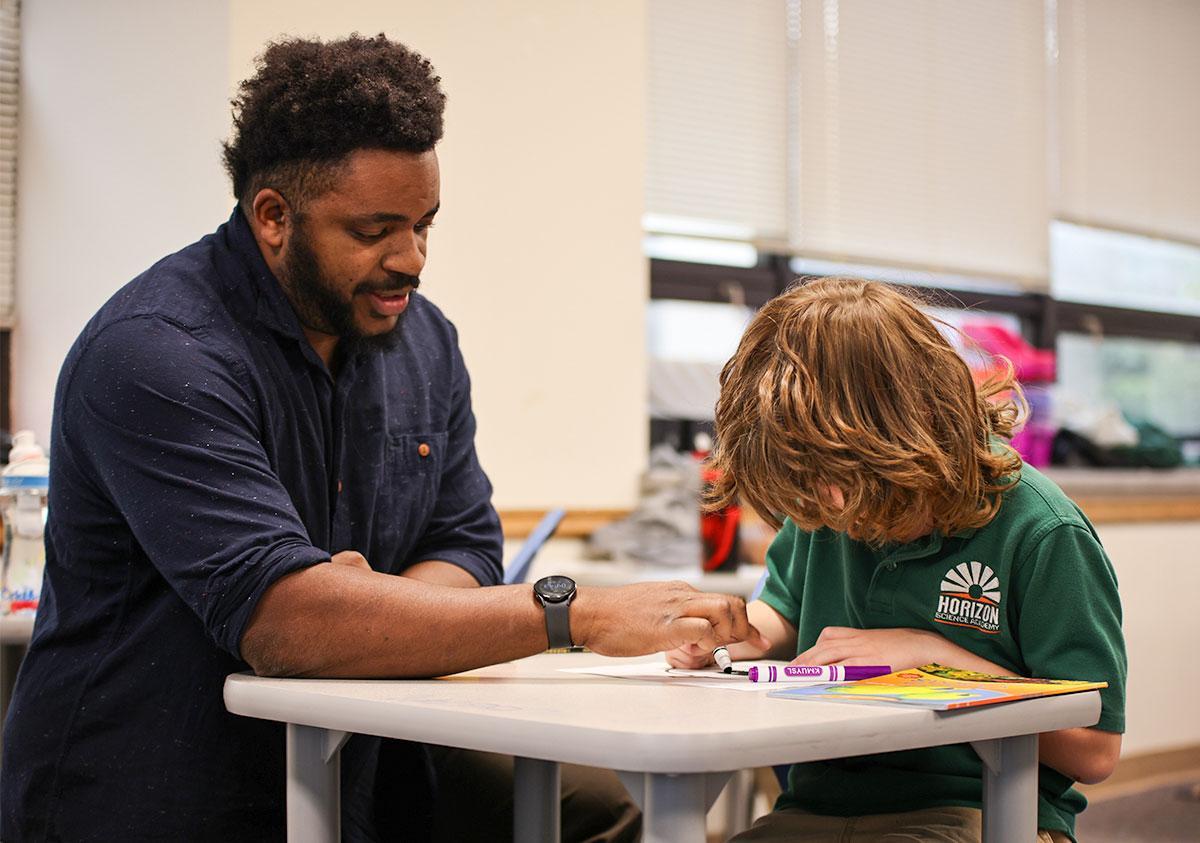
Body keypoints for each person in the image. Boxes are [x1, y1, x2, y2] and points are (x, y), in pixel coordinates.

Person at [0, 35, 762, 842]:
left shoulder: (424, 342)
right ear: (271, 217)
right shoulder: (157, 353)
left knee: (603, 810)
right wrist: (572, 614)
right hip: (155, 789)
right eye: (375, 231)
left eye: (425, 223)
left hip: (360, 765)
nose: (412, 259)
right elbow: (283, 625)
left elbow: (466, 543)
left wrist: (363, 612)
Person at [667, 278, 1126, 843]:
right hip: (819, 806)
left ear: (909, 430)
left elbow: (1095, 751)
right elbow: (781, 614)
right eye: (809, 488)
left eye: (838, 481)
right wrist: (731, 632)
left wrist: (931, 658)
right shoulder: (825, 508)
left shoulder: (1042, 532)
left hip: (986, 812)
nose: (829, 507)